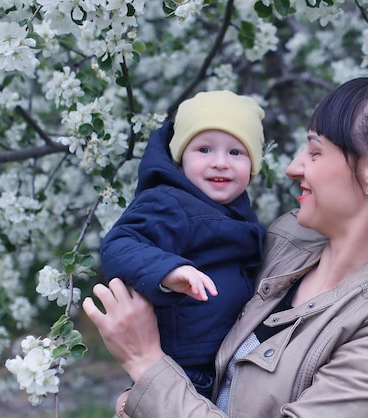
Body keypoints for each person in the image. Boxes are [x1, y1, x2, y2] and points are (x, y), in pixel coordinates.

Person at [85, 76, 368, 417]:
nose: (292, 168)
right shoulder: (285, 241)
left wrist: (146, 365)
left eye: (315, 151)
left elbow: (163, 383)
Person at [99, 90, 267, 398]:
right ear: (180, 159)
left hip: (221, 360)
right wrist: (169, 271)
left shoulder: (234, 209)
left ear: (253, 167)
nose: (220, 163)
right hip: (185, 366)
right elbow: (119, 244)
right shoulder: (169, 202)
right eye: (204, 149)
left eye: (235, 153)